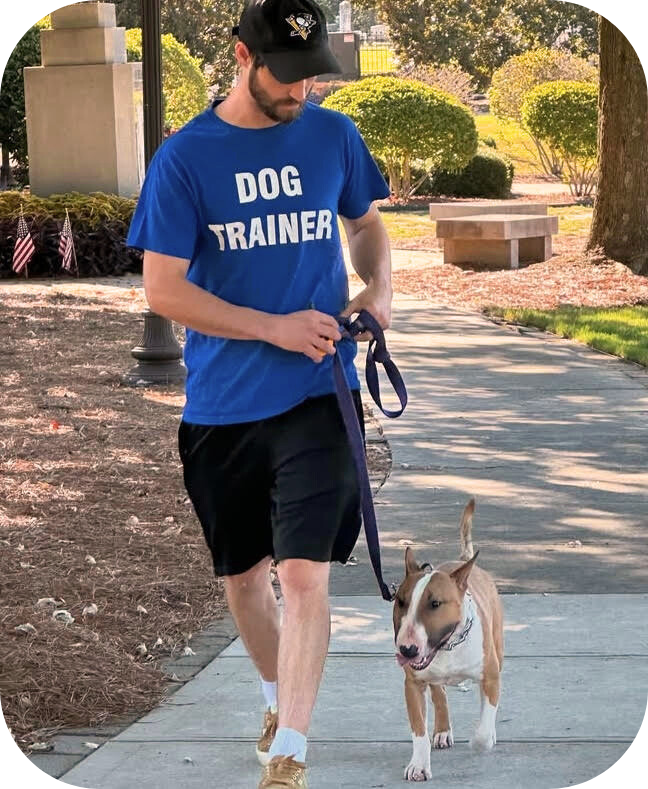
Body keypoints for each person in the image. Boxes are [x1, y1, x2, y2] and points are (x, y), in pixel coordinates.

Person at [127, 0, 392, 786]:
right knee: (245, 577)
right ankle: (277, 698)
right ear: (243, 56)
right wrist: (271, 327)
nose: (303, 91)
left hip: (322, 392)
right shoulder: (184, 159)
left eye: (314, 76)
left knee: (305, 575)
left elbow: (367, 224)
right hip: (223, 406)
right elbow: (164, 291)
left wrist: (377, 290)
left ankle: (292, 751)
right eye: (288, 75)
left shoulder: (333, 136)